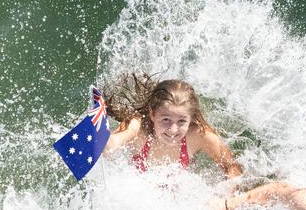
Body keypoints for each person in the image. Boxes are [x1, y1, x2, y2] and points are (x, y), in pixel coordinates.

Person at [103, 74, 243, 178]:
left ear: (190, 118)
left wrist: (226, 197)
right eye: (166, 120)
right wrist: (102, 137)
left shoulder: (198, 135)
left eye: (182, 121)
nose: (173, 130)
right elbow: (112, 144)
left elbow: (233, 166)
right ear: (152, 114)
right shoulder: (138, 127)